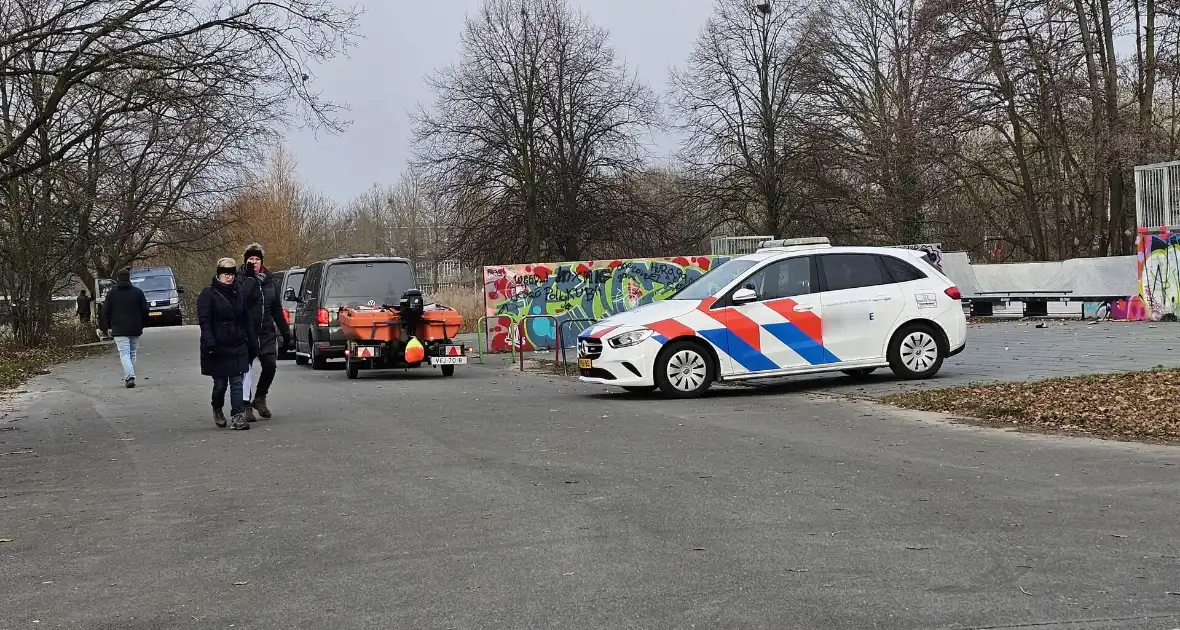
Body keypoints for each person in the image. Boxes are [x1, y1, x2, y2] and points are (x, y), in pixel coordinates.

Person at [197, 258, 256, 430]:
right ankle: (217, 407)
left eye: (231, 274)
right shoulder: (208, 294)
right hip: (218, 345)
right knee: (220, 384)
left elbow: (245, 318)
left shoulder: (238, 291)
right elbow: (204, 320)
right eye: (225, 274)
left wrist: (252, 342)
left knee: (237, 381)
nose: (229, 278)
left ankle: (238, 416)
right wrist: (209, 342)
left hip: (237, 342)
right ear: (218, 274)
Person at [237, 243, 291, 421]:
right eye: (251, 259)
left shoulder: (270, 280)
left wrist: (285, 331)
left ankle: (260, 397)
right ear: (246, 261)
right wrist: (251, 280)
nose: (254, 262)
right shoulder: (240, 279)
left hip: (266, 332)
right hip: (247, 332)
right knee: (246, 370)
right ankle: (244, 405)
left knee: (270, 366)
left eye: (257, 259)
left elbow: (276, 308)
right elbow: (242, 301)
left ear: (262, 261)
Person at [102, 268, 149, 388]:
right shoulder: (138, 292)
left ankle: (130, 376)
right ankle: (130, 375)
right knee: (132, 352)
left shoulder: (112, 293)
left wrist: (108, 326)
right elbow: (145, 310)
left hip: (119, 328)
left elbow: (106, 311)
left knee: (124, 354)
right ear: (129, 278)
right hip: (135, 327)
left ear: (117, 279)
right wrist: (142, 324)